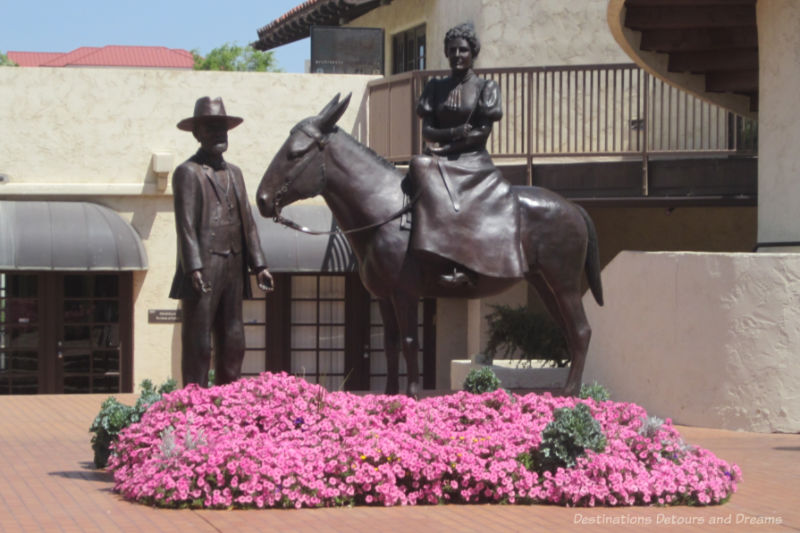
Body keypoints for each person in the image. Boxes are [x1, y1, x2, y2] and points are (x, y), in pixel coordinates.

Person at [409, 23, 526, 287]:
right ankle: (420, 251)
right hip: (439, 156)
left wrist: (449, 144)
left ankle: (464, 262)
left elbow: (481, 133)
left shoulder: (486, 88)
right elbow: (428, 130)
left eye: (463, 49)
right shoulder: (435, 88)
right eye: (452, 50)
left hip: (473, 159)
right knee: (417, 170)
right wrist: (453, 133)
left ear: (472, 52)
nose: (457, 55)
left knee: (464, 201)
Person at [170, 96, 274, 387]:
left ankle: (229, 398)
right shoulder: (187, 172)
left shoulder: (236, 173)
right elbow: (185, 225)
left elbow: (248, 223)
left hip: (234, 263)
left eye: (222, 128)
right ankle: (195, 396)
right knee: (198, 338)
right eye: (211, 127)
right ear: (197, 133)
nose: (219, 134)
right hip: (205, 264)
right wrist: (193, 268)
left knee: (234, 336)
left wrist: (259, 264)